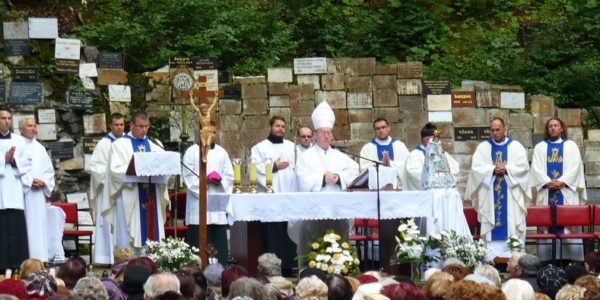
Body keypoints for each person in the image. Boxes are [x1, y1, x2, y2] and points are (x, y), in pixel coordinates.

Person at [296, 101, 359, 262]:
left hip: (337, 211)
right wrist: (323, 178)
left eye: (328, 132)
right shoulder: (305, 157)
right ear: (315, 135)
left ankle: (340, 269)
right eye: (322, 132)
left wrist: (339, 178)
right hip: (314, 212)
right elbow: (302, 179)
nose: (326, 135)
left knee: (338, 246)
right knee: (313, 250)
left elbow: (353, 172)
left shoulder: (340, 156)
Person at [465, 117, 531, 259]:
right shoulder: (483, 148)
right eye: (492, 130)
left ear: (504, 129)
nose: (494, 133)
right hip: (490, 194)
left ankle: (514, 258)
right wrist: (492, 170)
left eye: (498, 130)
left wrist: (507, 169)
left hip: (511, 194)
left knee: (512, 223)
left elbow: (524, 168)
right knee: (491, 226)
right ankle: (490, 258)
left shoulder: (516, 147)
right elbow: (476, 169)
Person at [108, 111, 170, 248]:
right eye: (141, 126)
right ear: (131, 125)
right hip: (131, 194)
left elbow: (165, 166)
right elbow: (114, 170)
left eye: (146, 126)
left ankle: (155, 259)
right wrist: (134, 170)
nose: (144, 130)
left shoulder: (155, 144)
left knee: (153, 233)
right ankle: (128, 263)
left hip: (152, 194)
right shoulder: (119, 145)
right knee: (131, 234)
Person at [531, 117, 587, 262]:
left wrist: (562, 181)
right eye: (550, 126)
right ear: (547, 129)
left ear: (562, 128)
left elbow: (576, 168)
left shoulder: (571, 146)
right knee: (546, 227)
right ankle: (547, 261)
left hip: (566, 192)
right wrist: (547, 182)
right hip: (546, 192)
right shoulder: (540, 148)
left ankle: (572, 260)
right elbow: (535, 169)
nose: (553, 128)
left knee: (569, 228)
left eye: (556, 125)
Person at [250, 115, 298, 274]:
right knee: (272, 233)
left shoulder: (292, 147)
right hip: (270, 198)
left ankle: (288, 266)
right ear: (270, 127)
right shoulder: (259, 148)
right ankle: (271, 268)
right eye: (277, 126)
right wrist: (275, 167)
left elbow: (299, 169)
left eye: (283, 126)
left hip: (289, 196)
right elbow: (255, 169)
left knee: (288, 233)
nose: (280, 129)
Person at [183, 121, 233, 264]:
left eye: (214, 132)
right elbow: (188, 176)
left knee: (217, 235)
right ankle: (197, 267)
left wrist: (220, 180)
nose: (211, 135)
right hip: (198, 202)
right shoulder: (191, 152)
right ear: (200, 133)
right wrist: (204, 181)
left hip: (216, 198)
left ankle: (221, 266)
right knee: (198, 239)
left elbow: (229, 175)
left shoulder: (221, 152)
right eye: (208, 132)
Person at [86, 113, 125, 264]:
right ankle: (106, 257)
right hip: (108, 191)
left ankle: (124, 254)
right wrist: (110, 175)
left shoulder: (128, 143)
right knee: (107, 223)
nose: (120, 127)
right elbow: (95, 168)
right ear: (110, 125)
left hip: (123, 191)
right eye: (116, 125)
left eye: (122, 124)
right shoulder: (103, 144)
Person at [0, 106, 32, 273]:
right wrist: (3, 160)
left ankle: (17, 266)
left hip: (14, 192)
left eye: (9, 118)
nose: (7, 121)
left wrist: (13, 161)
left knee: (15, 229)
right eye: (3, 118)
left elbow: (27, 162)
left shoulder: (19, 141)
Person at [19, 117, 55, 263]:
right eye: (29, 126)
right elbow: (13, 170)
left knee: (38, 228)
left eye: (34, 126)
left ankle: (40, 260)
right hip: (22, 196)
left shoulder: (40, 148)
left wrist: (44, 182)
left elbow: (49, 170)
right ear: (21, 128)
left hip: (38, 196)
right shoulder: (16, 145)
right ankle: (24, 261)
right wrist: (29, 181)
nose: (33, 129)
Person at [402, 123, 459, 191]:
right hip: (425, 193)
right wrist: (433, 178)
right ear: (426, 140)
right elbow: (413, 173)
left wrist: (442, 177)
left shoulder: (442, 154)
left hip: (442, 192)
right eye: (434, 139)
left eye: (437, 139)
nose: (438, 141)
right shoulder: (414, 155)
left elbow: (454, 168)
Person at [359, 117, 409, 187]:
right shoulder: (367, 148)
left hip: (397, 187)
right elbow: (364, 169)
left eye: (383, 127)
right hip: (377, 189)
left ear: (388, 128)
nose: (381, 130)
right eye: (378, 128)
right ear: (375, 131)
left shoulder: (400, 146)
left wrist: (391, 163)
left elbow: (407, 165)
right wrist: (381, 164)